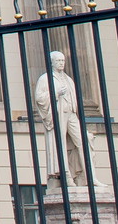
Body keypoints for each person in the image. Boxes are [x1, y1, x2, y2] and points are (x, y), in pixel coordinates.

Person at [34, 50, 92, 186]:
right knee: (60, 144)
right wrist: (55, 92)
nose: (61, 63)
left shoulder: (68, 79)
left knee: (84, 140)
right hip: (58, 115)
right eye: (58, 61)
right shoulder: (45, 78)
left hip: (71, 114)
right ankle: (66, 176)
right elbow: (39, 98)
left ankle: (88, 176)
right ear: (52, 62)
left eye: (62, 61)